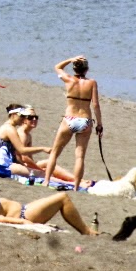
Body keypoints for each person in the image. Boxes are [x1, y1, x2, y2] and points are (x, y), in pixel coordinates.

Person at [41, 56, 103, 188]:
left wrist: (71, 59)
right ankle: (75, 187)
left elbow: (57, 67)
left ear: (74, 68)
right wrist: (99, 124)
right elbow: (96, 105)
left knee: (55, 153)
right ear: (87, 69)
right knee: (79, 157)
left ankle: (46, 181)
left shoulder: (68, 79)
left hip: (69, 118)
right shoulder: (92, 83)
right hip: (85, 120)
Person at [0, 104, 77, 183]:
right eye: (22, 116)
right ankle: (73, 183)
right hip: (1, 164)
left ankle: (74, 180)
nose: (23, 119)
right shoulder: (10, 129)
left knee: (45, 167)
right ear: (13, 115)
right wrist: (42, 149)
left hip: (3, 161)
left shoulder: (9, 128)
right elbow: (21, 151)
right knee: (42, 174)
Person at [0, 190, 98, 235]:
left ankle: (87, 230)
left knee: (59, 198)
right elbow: (0, 219)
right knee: (63, 198)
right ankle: (87, 232)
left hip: (25, 208)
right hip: (24, 215)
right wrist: (23, 222)